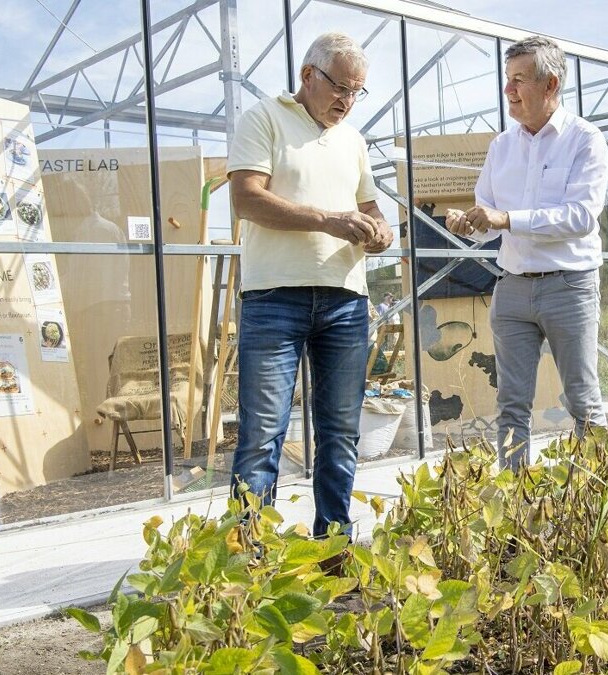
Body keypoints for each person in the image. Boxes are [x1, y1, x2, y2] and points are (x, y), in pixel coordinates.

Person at [227, 32, 392, 538]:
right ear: (307, 75)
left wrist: (379, 229)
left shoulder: (354, 141)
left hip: (345, 299)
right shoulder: (262, 118)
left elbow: (369, 208)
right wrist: (327, 220)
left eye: (357, 91)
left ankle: (334, 543)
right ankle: (248, 555)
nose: (347, 100)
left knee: (341, 431)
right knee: (262, 433)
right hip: (274, 297)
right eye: (340, 86)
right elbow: (246, 200)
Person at [445, 35, 608, 470]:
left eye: (518, 80)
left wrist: (505, 219)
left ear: (550, 84)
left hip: (569, 287)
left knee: (582, 400)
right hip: (513, 289)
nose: (508, 91)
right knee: (511, 404)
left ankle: (596, 502)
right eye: (507, 79)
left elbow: (580, 217)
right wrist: (471, 224)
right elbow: (489, 223)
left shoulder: (585, 140)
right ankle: (514, 506)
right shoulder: (501, 146)